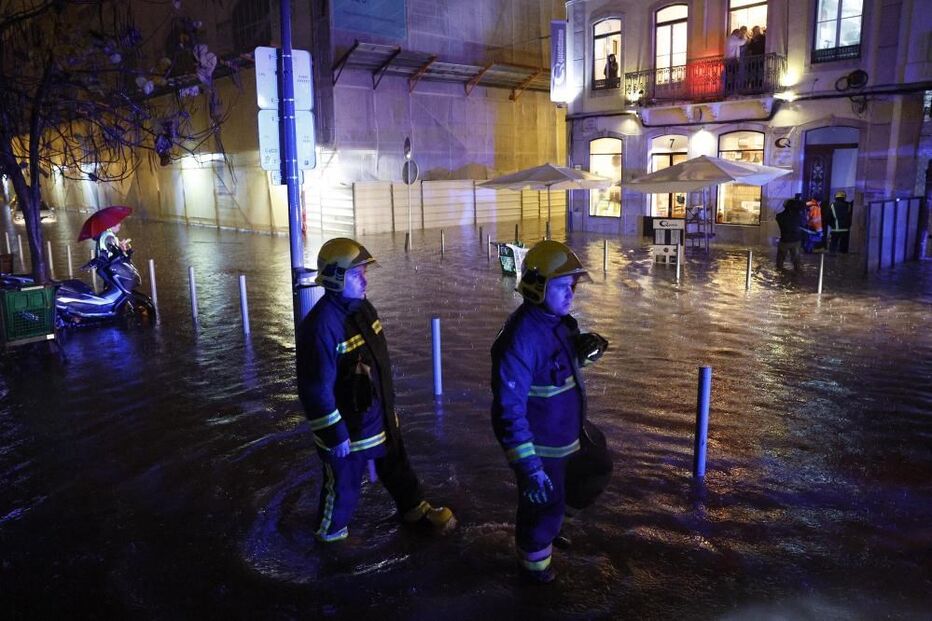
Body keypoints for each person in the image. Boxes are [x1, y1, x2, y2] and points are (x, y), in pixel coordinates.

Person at [296, 238, 456, 544]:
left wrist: (387, 410)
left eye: (364, 272)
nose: (364, 279)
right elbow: (315, 390)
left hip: (377, 417)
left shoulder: (363, 308)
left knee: (397, 464)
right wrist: (335, 434)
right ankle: (329, 539)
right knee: (343, 486)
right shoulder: (320, 327)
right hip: (348, 432)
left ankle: (415, 510)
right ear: (336, 277)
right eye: (357, 275)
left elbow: (376, 364)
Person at [490, 240, 609, 584]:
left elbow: (557, 370)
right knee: (540, 509)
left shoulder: (559, 324)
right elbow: (508, 412)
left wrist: (587, 349)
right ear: (537, 286)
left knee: (597, 464)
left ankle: (555, 521)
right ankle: (535, 577)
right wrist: (529, 468)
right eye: (561, 287)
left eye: (572, 286)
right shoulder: (520, 340)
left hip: (568, 438)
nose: (570, 294)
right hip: (543, 450)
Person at [776, 196, 805, 271]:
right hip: (796, 241)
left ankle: (779, 273)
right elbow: (803, 224)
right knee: (796, 261)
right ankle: (797, 275)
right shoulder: (799, 216)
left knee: (780, 261)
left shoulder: (779, 216)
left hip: (784, 240)